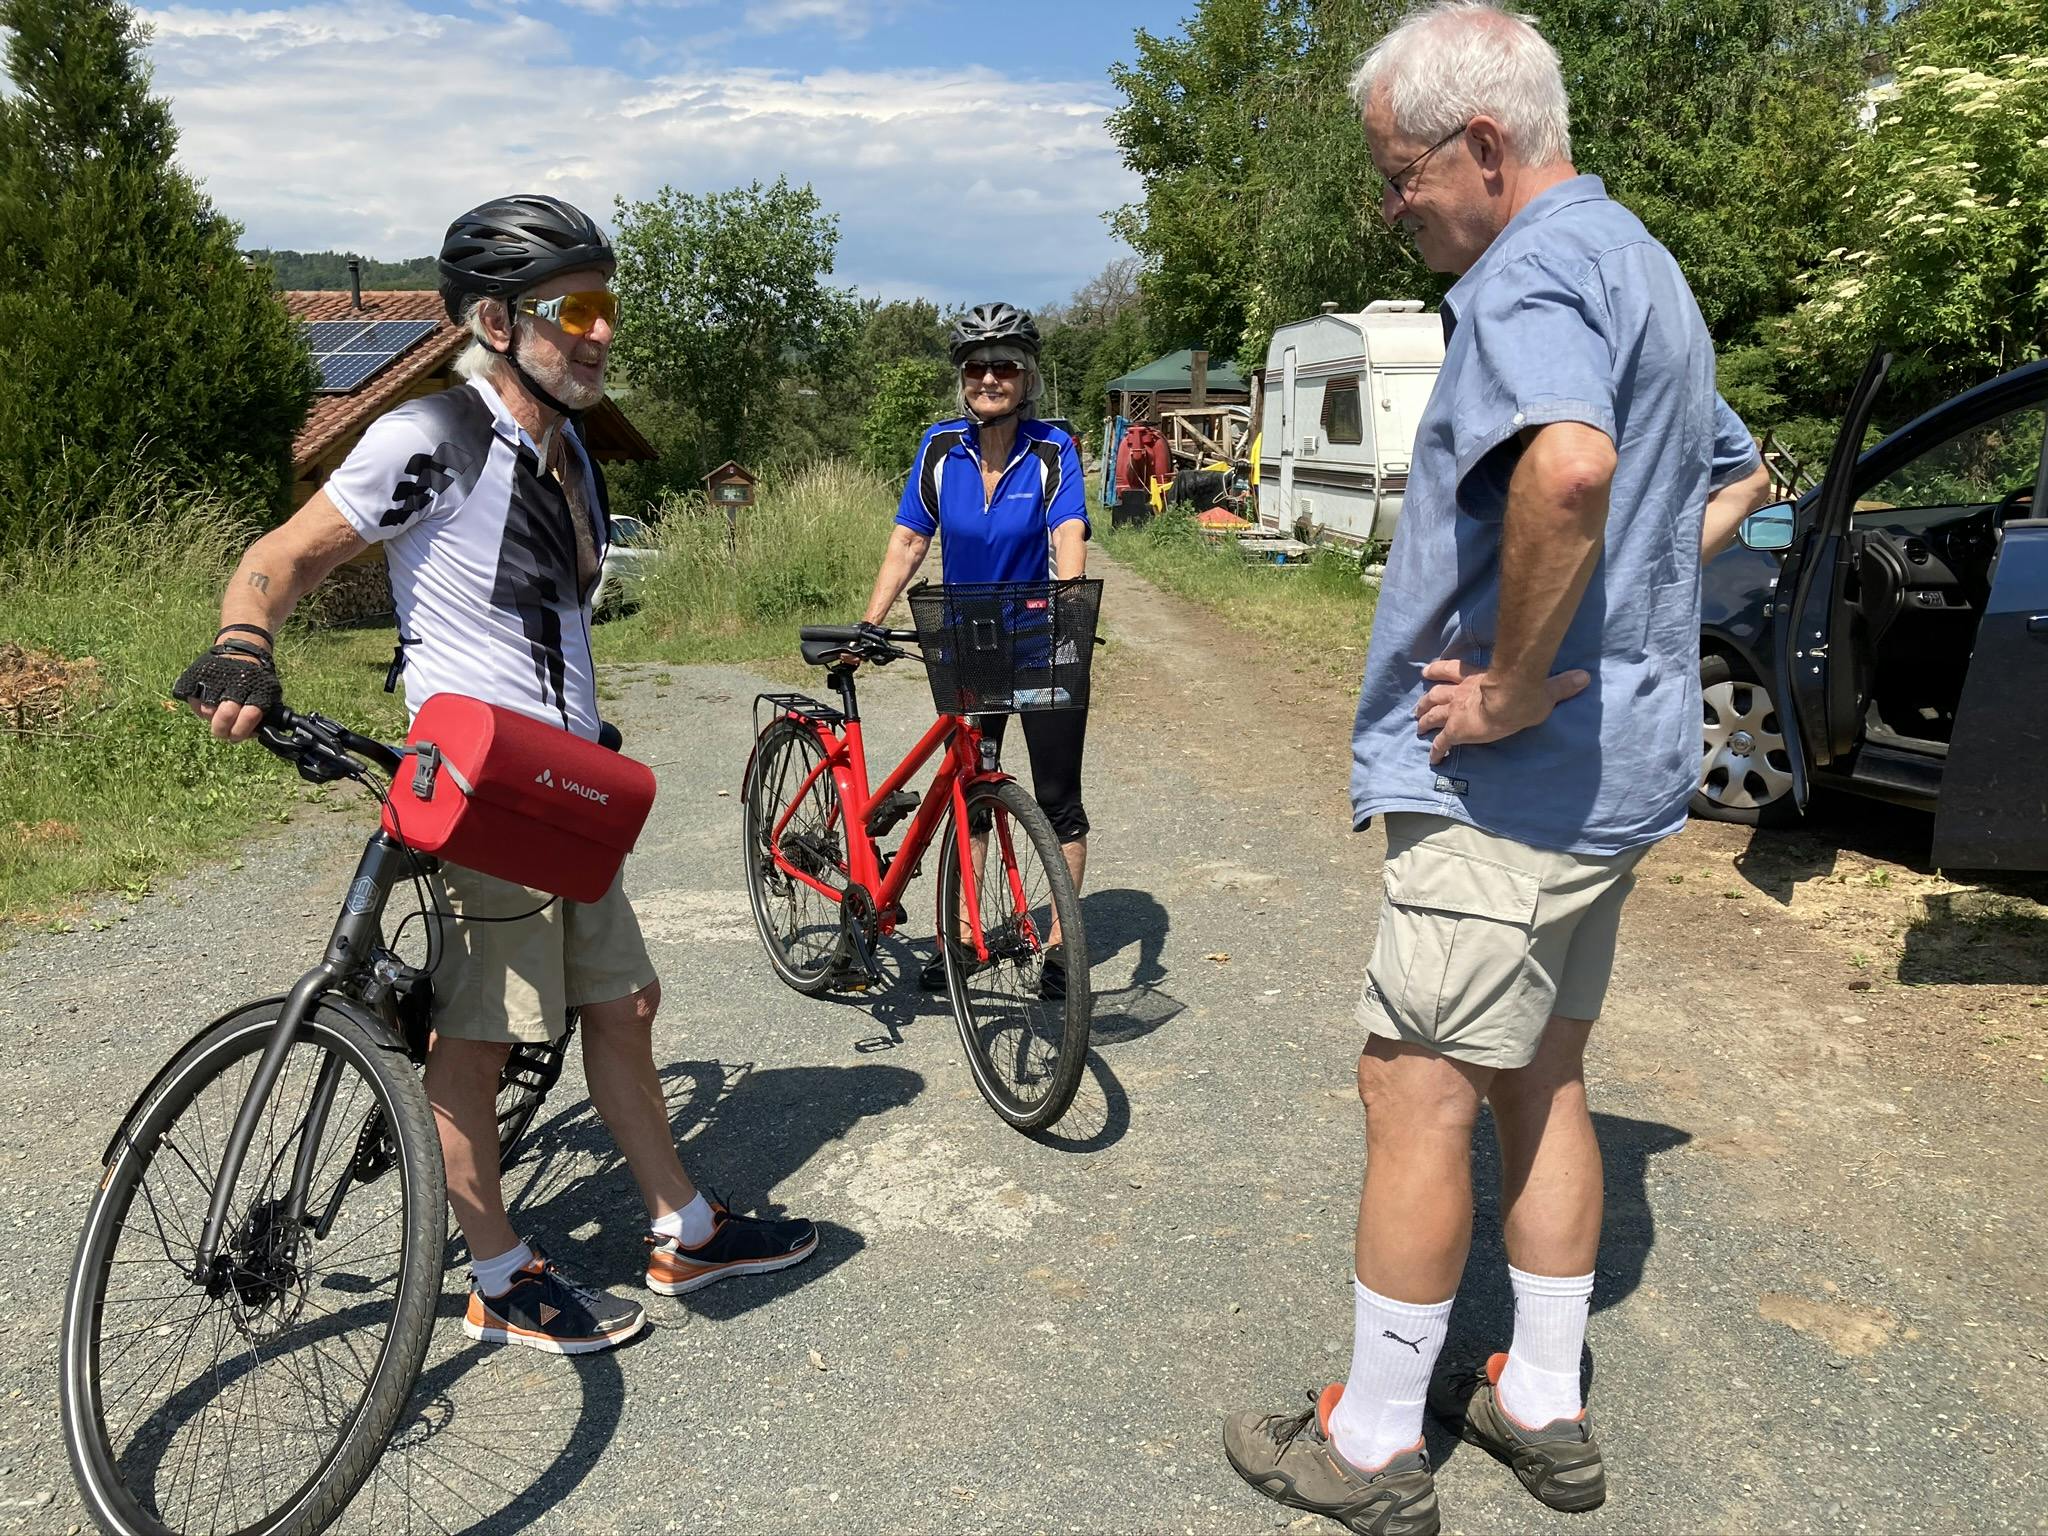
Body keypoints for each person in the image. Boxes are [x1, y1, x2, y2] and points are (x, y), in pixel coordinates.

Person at [1221, 7, 1774, 1533]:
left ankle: (1376, 1439)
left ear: (1483, 148)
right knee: (1544, 1073)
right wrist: (1622, 610)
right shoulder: (1641, 265)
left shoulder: (1528, 271)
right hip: (1624, 775)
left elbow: (1573, 468)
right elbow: (1737, 473)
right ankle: (1539, 1398)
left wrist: (1524, 676)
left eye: (1398, 175)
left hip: (1516, 791)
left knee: (1416, 1086)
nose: (1392, 205)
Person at [173, 194, 818, 1356]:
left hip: (564, 787)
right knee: (478, 1038)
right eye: (575, 309)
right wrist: (243, 646)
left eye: (608, 305)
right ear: (495, 318)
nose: (602, 331)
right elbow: (279, 559)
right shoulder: (432, 435)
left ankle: (684, 1228)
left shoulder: (569, 449)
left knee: (622, 1003)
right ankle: (496, 1272)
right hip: (478, 789)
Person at [857, 302, 1092, 997]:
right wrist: (871, 620)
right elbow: (909, 540)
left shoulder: (1054, 449)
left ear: (1026, 377)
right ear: (963, 377)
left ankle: (1058, 951)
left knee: (1056, 800)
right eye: (977, 367)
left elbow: (1069, 533)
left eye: (1005, 366)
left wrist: (1069, 610)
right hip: (969, 643)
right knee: (973, 792)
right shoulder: (939, 448)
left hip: (1040, 638)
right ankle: (963, 939)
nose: (990, 378)